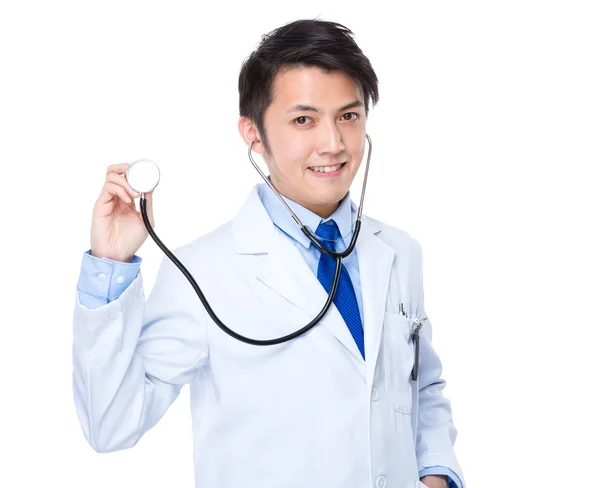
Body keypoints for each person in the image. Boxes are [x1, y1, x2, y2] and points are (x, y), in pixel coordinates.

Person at [72, 18, 466, 488]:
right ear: (253, 134)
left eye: (349, 115)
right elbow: (111, 424)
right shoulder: (202, 271)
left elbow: (422, 388)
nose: (334, 143)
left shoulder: (400, 252)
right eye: (304, 120)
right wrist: (110, 265)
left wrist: (436, 473)